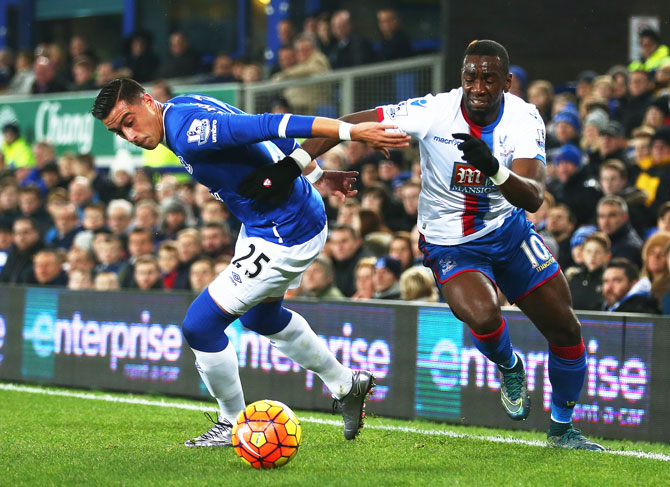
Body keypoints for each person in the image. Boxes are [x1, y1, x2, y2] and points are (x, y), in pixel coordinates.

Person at [252, 39, 605, 450]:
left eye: (489, 78)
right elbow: (347, 123)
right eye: (470, 76)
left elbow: (534, 196)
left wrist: (492, 168)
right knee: (485, 316)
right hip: (450, 242)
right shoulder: (434, 111)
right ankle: (510, 366)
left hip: (510, 232)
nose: (477, 86)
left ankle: (562, 430)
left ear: (506, 83)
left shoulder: (525, 118)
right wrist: (292, 167)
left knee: (566, 329)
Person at [92, 78, 409, 445]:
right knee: (262, 317)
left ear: (147, 101)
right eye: (119, 131)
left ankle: (231, 423)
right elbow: (261, 141)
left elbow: (269, 125)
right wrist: (318, 175)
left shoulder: (189, 132)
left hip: (284, 231)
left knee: (200, 326)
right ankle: (346, 383)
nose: (129, 135)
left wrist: (352, 132)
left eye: (129, 121)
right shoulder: (181, 106)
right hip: (275, 219)